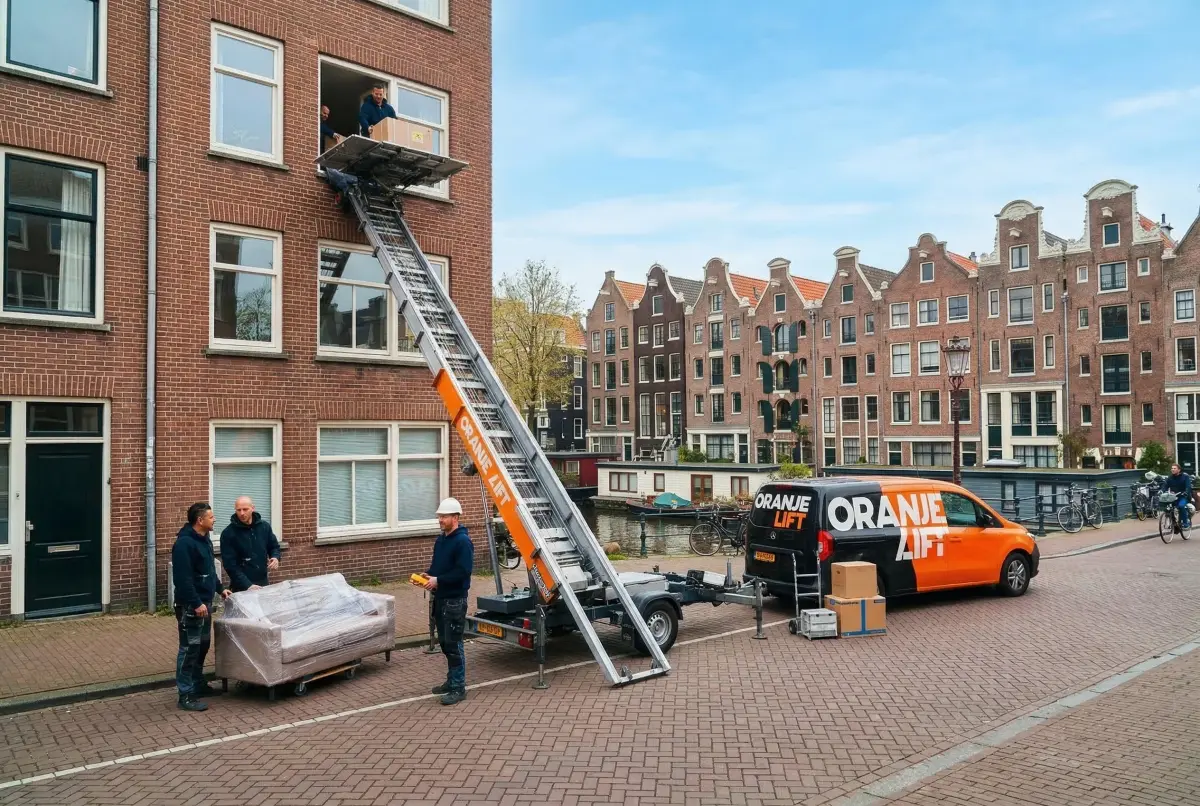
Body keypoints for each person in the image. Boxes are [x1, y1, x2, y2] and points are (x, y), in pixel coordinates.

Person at [172, 502, 231, 712]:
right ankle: (185, 694)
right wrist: (196, 603)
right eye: (211, 517)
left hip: (204, 604)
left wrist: (220, 589)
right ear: (200, 520)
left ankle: (197, 684)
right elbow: (182, 579)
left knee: (202, 645)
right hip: (191, 606)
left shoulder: (204, 539)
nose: (214, 520)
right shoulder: (184, 544)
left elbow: (208, 570)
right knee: (189, 648)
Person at [423, 497, 474, 705]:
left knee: (453, 643)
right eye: (439, 516)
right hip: (441, 598)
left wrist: (438, 580)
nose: (440, 520)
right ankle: (452, 680)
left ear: (455, 517)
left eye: (444, 516)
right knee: (445, 642)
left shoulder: (463, 542)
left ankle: (458, 687)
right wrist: (428, 576)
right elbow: (438, 567)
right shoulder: (441, 540)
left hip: (454, 600)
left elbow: (463, 572)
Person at [219, 496, 282, 593]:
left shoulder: (264, 527)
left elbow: (274, 546)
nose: (242, 513)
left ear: (253, 508)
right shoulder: (228, 533)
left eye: (245, 509)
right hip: (241, 586)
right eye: (238, 510)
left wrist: (275, 557)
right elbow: (230, 565)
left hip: (262, 581)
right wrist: (247, 585)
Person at [1164, 462, 1193, 529]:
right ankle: (1173, 522)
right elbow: (1165, 486)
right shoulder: (1170, 478)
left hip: (1183, 496)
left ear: (1179, 470)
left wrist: (1186, 492)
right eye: (1172, 468)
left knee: (1181, 506)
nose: (1172, 469)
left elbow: (1188, 486)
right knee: (1166, 507)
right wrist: (1162, 491)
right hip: (1173, 497)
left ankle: (1185, 523)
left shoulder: (1185, 477)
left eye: (1174, 468)